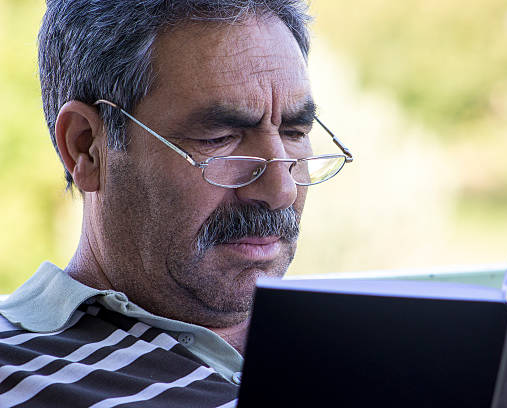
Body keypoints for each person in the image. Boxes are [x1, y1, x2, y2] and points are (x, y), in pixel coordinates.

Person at [0, 1, 353, 406]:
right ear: (86, 148)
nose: (281, 190)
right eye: (220, 139)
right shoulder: (15, 373)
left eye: (294, 132)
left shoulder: (380, 347)